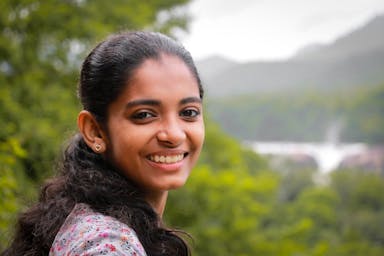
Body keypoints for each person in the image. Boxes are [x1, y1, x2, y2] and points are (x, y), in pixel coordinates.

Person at [2, 31, 205, 256]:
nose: (174, 135)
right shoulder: (107, 245)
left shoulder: (80, 216)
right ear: (95, 131)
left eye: (188, 112)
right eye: (145, 115)